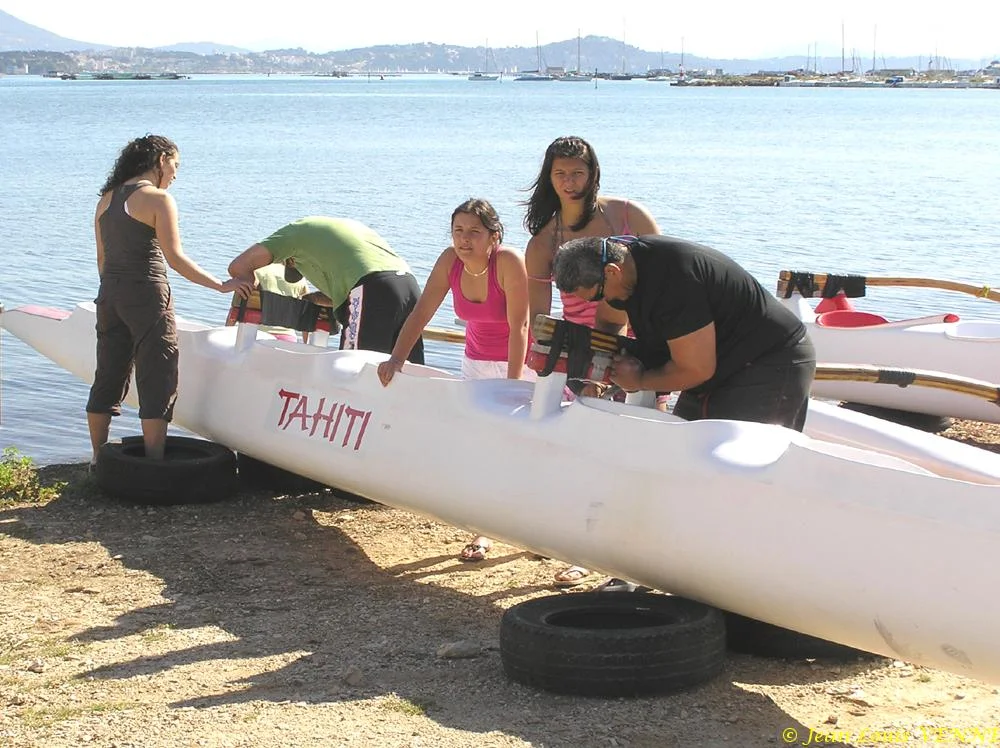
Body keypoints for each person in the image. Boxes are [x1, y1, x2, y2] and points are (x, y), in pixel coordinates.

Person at [523, 135, 660, 588]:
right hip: (584, 355)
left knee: (640, 450)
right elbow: (540, 319)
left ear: (593, 172)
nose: (570, 181)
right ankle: (588, 551)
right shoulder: (545, 241)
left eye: (578, 172)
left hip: (639, 350)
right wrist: (546, 372)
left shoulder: (627, 216)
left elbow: (663, 284)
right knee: (589, 452)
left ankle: (637, 556)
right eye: (560, 173)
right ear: (549, 177)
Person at [377, 198, 530, 562]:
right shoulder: (450, 261)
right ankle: (484, 531)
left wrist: (513, 384)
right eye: (458, 231)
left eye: (474, 232)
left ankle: (539, 530)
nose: (464, 240)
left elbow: (520, 326)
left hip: (520, 363)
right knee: (479, 443)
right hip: (476, 363)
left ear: (494, 236)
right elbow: (422, 311)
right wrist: (396, 358)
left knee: (525, 443)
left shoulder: (508, 261)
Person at [86, 135, 253, 466]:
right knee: (158, 372)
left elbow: (102, 259)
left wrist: (113, 292)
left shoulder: (106, 199)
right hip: (147, 293)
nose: (176, 174)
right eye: (175, 165)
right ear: (161, 160)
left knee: (109, 371)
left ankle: (97, 459)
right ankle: (153, 467)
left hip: (109, 294)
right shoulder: (158, 199)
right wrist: (222, 285)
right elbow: (175, 258)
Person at [553, 234, 817, 428]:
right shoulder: (622, 260)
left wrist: (640, 380)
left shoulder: (672, 285)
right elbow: (609, 325)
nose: (598, 304)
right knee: (682, 445)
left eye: (597, 295)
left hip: (772, 362)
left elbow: (696, 370)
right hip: (718, 362)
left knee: (730, 465)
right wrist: (600, 374)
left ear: (612, 271)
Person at [228, 217, 424, 363]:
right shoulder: (337, 235)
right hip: (409, 286)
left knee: (353, 369)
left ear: (290, 258)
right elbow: (354, 295)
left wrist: (253, 292)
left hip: (372, 288)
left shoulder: (291, 235)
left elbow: (238, 266)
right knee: (406, 375)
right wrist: (313, 298)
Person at [224, 263, 310, 342]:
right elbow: (307, 316)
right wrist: (306, 344)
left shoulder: (255, 271)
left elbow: (235, 311)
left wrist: (225, 337)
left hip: (255, 337)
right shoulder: (298, 277)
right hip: (287, 339)